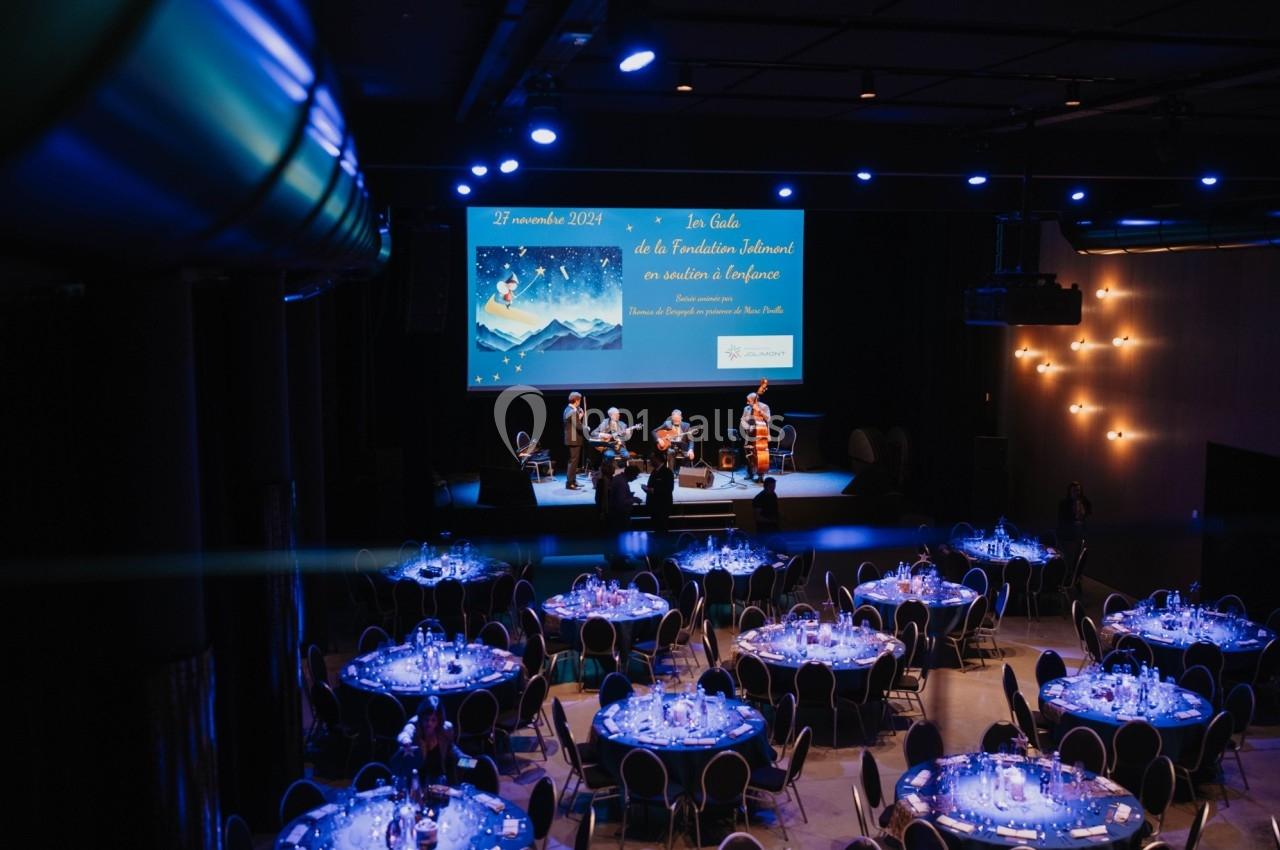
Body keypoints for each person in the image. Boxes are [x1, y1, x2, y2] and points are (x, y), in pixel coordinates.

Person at [392, 696, 461, 785]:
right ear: (421, 718)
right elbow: (405, 733)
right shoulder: (414, 725)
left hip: (437, 776)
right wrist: (406, 740)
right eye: (426, 719)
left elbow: (452, 749)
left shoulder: (446, 729)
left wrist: (467, 761)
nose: (429, 723)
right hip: (416, 778)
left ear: (439, 720)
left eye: (433, 720)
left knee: (471, 764)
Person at [739, 391, 772, 482]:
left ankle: (760, 474)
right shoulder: (746, 409)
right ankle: (750, 473)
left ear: (754, 401)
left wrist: (760, 411)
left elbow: (768, 419)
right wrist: (749, 427)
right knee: (748, 453)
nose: (747, 402)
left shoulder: (764, 407)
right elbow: (743, 421)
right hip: (750, 435)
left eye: (749, 401)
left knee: (760, 455)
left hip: (761, 435)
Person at [641, 448, 675, 533]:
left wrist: (652, 490)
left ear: (657, 459)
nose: (650, 460)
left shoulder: (667, 472)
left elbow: (668, 489)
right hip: (654, 507)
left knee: (662, 531)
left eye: (652, 458)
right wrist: (647, 489)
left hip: (662, 507)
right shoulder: (654, 471)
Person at [563, 391, 586, 489]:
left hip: (573, 439)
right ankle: (569, 483)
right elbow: (578, 427)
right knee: (573, 462)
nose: (580, 402)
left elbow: (575, 423)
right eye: (579, 400)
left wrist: (579, 416)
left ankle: (573, 480)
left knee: (574, 461)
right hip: (573, 439)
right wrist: (586, 428)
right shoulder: (572, 411)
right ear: (576, 400)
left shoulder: (570, 410)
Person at [608, 464, 642, 533]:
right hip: (620, 516)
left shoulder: (618, 478)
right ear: (631, 474)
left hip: (616, 513)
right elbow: (621, 502)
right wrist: (634, 499)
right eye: (635, 476)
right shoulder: (622, 483)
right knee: (623, 535)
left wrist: (630, 496)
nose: (635, 478)